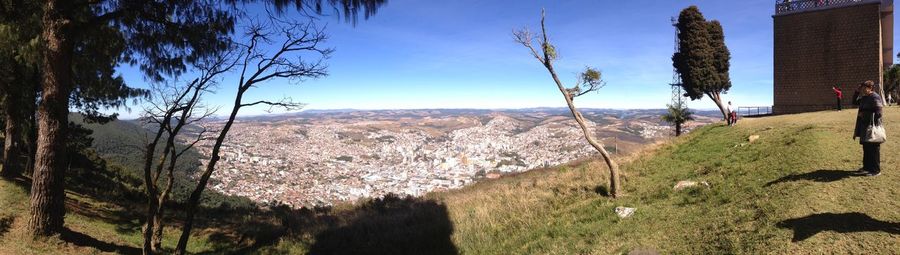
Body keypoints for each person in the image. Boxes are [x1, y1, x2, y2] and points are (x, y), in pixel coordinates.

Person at [852, 81, 884, 176]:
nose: (862, 89)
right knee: (866, 148)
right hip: (864, 127)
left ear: (870, 88)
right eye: (861, 88)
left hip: (873, 127)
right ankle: (866, 167)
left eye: (864, 88)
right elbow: (854, 102)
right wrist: (856, 92)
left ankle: (875, 170)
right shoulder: (864, 97)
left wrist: (865, 114)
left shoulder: (875, 97)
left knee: (873, 149)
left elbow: (879, 114)